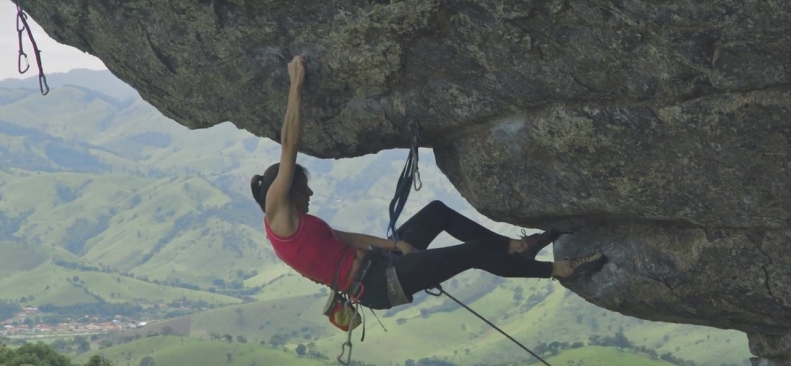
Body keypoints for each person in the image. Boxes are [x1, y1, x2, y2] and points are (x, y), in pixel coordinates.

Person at [250, 55, 607, 310]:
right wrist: (296, 85)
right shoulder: (278, 214)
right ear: (283, 191)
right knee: (475, 254)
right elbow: (289, 145)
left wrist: (394, 245)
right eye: (303, 187)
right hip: (380, 285)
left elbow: (348, 239)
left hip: (381, 264)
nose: (309, 192)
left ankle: (515, 248)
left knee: (436, 213)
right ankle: (559, 271)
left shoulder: (297, 225)